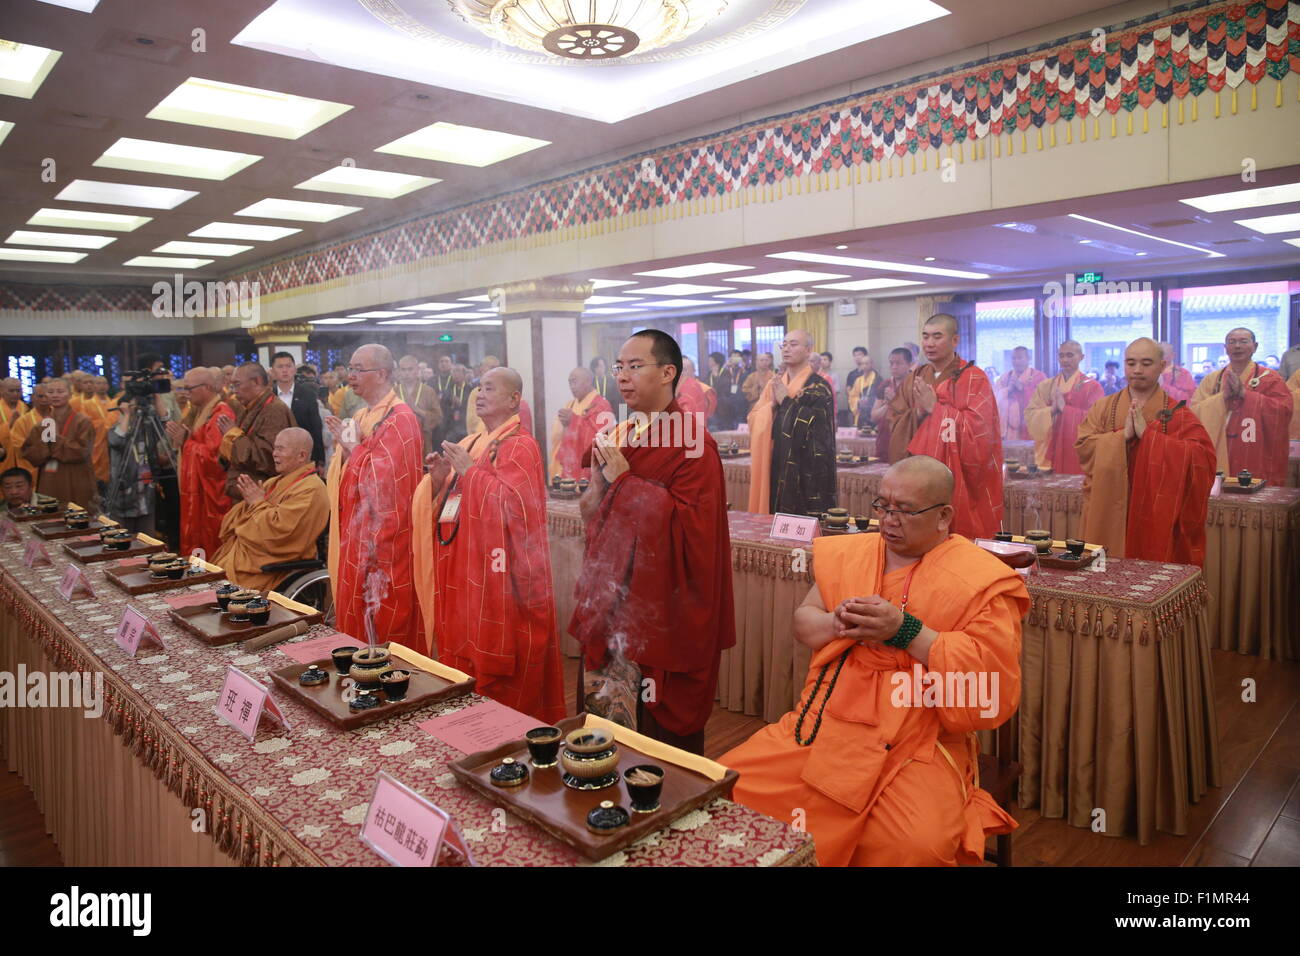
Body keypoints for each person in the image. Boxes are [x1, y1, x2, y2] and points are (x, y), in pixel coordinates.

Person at [722, 456, 1026, 866]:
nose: (888, 520)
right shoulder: (853, 553)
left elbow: (990, 687)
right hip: (829, 722)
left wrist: (906, 631)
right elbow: (804, 623)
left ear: (943, 516)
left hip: (920, 738)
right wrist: (837, 623)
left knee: (916, 846)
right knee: (729, 783)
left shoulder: (980, 578)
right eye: (882, 506)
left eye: (904, 510)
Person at [570, 329, 734, 754]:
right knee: (605, 732)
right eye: (619, 367)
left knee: (656, 747)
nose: (622, 376)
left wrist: (626, 481)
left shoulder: (694, 445)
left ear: (667, 373)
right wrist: (598, 486)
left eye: (634, 366)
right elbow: (592, 515)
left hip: (662, 608)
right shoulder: (622, 434)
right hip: (614, 600)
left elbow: (694, 534)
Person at [411, 368, 566, 722]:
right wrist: (438, 480)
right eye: (479, 388)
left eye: (489, 389)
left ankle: (504, 735)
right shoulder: (470, 442)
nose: (479, 395)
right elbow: (451, 506)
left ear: (514, 400)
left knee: (500, 678)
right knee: (460, 664)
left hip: (500, 577)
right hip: (463, 572)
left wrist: (470, 472)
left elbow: (516, 512)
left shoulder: (521, 445)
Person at [1076, 338, 1216, 564]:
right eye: (1131, 363)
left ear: (1162, 366)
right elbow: (1084, 447)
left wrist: (1149, 437)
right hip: (1107, 505)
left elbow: (1202, 458)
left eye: (1146, 363)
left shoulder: (1178, 413)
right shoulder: (1103, 407)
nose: (1137, 370)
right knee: (1104, 574)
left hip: (1155, 509)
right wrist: (1123, 436)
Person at [325, 345, 425, 652]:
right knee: (355, 615)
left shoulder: (400, 419)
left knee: (383, 619)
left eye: (358, 370)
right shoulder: (360, 415)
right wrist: (347, 452)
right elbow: (345, 475)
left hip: (386, 539)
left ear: (381, 374)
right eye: (350, 369)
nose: (351, 376)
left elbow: (385, 484)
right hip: (357, 533)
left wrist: (352, 449)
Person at [886, 314, 1003, 539]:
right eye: (925, 337)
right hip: (918, 476)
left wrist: (936, 409)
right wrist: (919, 412)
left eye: (937, 337)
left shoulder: (974, 378)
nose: (929, 343)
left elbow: (981, 433)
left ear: (955, 340)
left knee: (953, 535)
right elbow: (895, 418)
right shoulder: (916, 377)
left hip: (957, 478)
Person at [213, 427, 329, 592]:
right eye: (275, 448)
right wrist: (250, 502)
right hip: (246, 557)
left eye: (280, 449)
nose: (274, 454)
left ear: (302, 456)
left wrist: (257, 503)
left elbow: (278, 535)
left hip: (268, 569)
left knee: (214, 591)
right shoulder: (273, 482)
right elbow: (231, 525)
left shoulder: (312, 488)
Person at [1188, 328, 1292, 488]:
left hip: (1254, 447)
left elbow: (1283, 411)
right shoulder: (1212, 379)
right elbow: (1194, 413)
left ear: (1255, 346)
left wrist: (1246, 395)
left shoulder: (1270, 379)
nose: (1237, 346)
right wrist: (1222, 398)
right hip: (1219, 446)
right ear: (1225, 348)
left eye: (1243, 341)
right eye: (1232, 342)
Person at [747, 329, 836, 515]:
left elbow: (815, 432)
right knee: (775, 516)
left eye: (793, 344)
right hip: (776, 459)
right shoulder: (775, 384)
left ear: (808, 350)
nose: (786, 349)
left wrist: (786, 402)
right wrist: (772, 406)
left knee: (800, 521)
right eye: (784, 345)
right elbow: (753, 417)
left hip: (806, 468)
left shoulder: (818, 387)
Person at [166, 367, 234, 557]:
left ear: (207, 387)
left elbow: (216, 459)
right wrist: (185, 441)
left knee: (211, 547)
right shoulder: (200, 411)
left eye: (190, 388)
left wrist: (187, 443)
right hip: (199, 493)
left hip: (212, 496)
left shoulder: (221, 414)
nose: (186, 393)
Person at [216, 362, 296, 499]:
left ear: (256, 381)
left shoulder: (274, 410)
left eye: (237, 385)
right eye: (232, 386)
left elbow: (268, 457)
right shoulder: (249, 407)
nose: (234, 391)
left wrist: (232, 435)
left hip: (263, 495)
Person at [1024, 340, 1104, 474]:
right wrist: (1052, 410)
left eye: (1070, 355)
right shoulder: (1046, 385)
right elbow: (1030, 414)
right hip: (1048, 449)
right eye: (1061, 356)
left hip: (1076, 450)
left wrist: (1065, 410)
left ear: (1081, 357)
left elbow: (1097, 421)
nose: (1065, 360)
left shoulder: (1092, 387)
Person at [21, 378, 96, 510]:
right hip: (49, 479)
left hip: (76, 476)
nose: (55, 395)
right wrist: (44, 444)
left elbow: (82, 452)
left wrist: (56, 439)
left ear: (70, 394)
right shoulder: (42, 425)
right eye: (51, 392)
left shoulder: (82, 422)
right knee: (50, 513)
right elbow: (28, 453)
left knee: (78, 513)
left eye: (60, 391)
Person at [549, 367, 613, 480]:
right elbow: (558, 438)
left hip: (587, 472)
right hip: (567, 467)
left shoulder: (601, 405)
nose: (572, 386)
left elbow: (600, 440)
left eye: (574, 381)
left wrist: (573, 421)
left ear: (588, 381)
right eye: (570, 382)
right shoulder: (570, 405)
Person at [270, 351, 324, 467]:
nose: (285, 370)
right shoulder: (269, 395)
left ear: (294, 369)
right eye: (280, 367)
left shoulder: (307, 394)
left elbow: (316, 427)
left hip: (301, 456)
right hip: (274, 455)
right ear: (272, 371)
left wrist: (320, 459)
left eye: (288, 366)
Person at [993, 347, 1046, 442]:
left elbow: (1044, 402)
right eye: (1014, 358)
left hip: (1029, 426)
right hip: (1009, 428)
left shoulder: (1039, 376)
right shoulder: (1005, 377)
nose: (1016, 361)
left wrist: (1023, 389)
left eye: (1020, 358)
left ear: (1028, 359)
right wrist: (1008, 390)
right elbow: (995, 399)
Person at [395, 354, 443, 455]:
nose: (407, 373)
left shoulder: (428, 391)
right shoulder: (393, 392)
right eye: (403, 370)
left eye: (410, 369)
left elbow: (438, 418)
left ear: (417, 370)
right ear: (399, 371)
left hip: (423, 443)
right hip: (398, 442)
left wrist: (418, 410)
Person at [871, 347, 912, 460]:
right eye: (891, 363)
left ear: (909, 365)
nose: (894, 367)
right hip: (885, 440)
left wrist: (894, 401)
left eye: (898, 363)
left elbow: (915, 418)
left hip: (906, 441)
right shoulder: (885, 385)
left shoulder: (915, 384)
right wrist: (888, 404)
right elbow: (874, 416)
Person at [675, 357, 716, 422]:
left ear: (694, 370)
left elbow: (709, 413)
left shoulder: (705, 389)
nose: (681, 373)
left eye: (684, 370)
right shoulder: (675, 388)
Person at [705, 351, 739, 430]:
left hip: (725, 406)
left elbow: (727, 388)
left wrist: (716, 377)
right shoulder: (709, 374)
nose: (708, 362)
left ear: (716, 361)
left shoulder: (726, 372)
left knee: (726, 428)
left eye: (710, 360)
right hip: (712, 406)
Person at [847, 349, 880, 428]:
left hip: (872, 414)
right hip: (860, 413)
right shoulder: (858, 380)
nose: (864, 366)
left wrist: (870, 401)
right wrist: (858, 402)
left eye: (866, 364)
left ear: (872, 364)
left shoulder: (877, 379)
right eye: (862, 364)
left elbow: (880, 397)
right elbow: (852, 396)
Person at [440, 364, 472, 444]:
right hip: (451, 426)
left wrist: (461, 404)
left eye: (458, 371)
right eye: (454, 372)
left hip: (465, 425)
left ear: (464, 374)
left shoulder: (471, 389)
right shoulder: (448, 391)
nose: (456, 374)